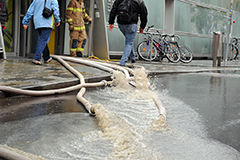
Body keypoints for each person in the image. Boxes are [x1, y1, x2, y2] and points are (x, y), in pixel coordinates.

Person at [108, 0, 148, 66]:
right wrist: (142, 27)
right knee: (129, 43)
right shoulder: (139, 1)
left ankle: (132, 57)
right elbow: (144, 15)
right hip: (131, 25)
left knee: (128, 41)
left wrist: (111, 22)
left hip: (121, 24)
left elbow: (113, 10)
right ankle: (123, 62)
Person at [22, 0, 61, 65]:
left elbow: (30, 11)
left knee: (43, 40)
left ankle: (47, 57)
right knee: (43, 40)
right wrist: (58, 20)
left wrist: (25, 21)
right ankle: (36, 58)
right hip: (47, 23)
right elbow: (55, 10)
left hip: (38, 23)